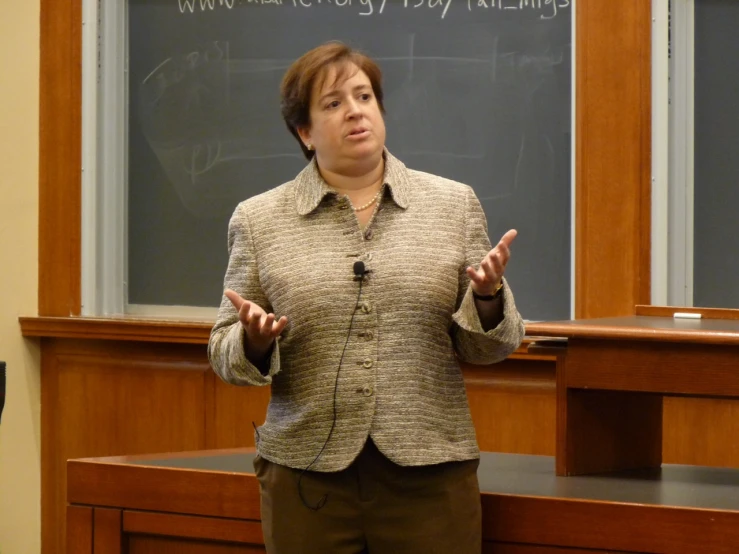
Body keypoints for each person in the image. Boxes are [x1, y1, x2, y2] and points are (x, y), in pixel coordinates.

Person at [208, 41, 526, 554]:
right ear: (305, 132)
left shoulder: (452, 204)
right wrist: (253, 341)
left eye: (364, 96)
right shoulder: (260, 220)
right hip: (307, 476)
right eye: (333, 103)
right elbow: (223, 352)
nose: (355, 110)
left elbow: (489, 349)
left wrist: (487, 299)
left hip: (429, 475)